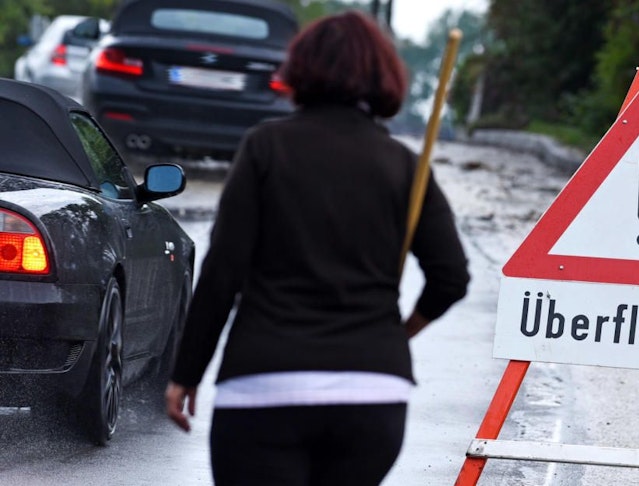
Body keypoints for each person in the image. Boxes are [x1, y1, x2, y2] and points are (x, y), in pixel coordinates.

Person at [164, 11, 470, 486]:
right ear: (382, 75)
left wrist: (187, 372)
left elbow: (223, 272)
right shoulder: (406, 166)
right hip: (372, 394)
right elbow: (451, 277)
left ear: (302, 68)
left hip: (265, 387)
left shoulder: (266, 148)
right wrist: (399, 333)